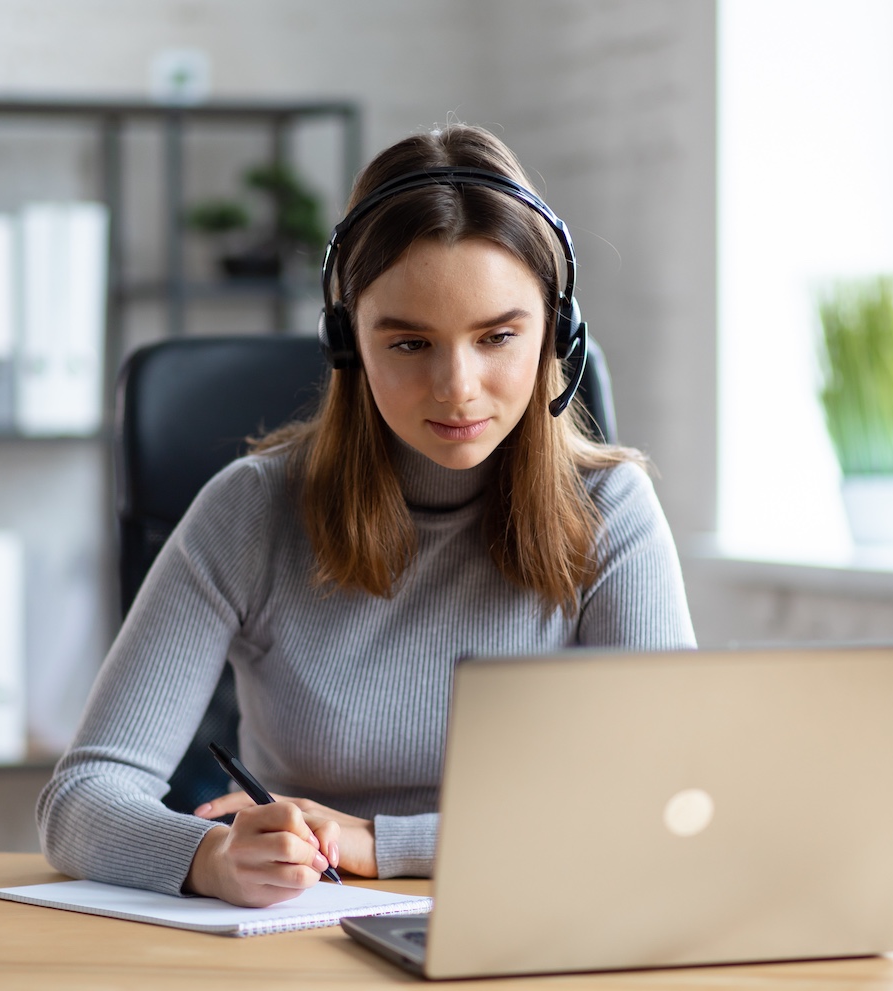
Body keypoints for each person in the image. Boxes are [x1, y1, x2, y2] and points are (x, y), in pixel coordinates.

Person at [37, 124, 695, 907]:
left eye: (498, 337)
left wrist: (377, 844)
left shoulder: (611, 511)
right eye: (411, 343)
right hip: (304, 936)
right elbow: (80, 800)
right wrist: (210, 856)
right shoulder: (251, 510)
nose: (458, 386)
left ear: (557, 334)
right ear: (348, 342)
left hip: (534, 925)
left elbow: (666, 803)